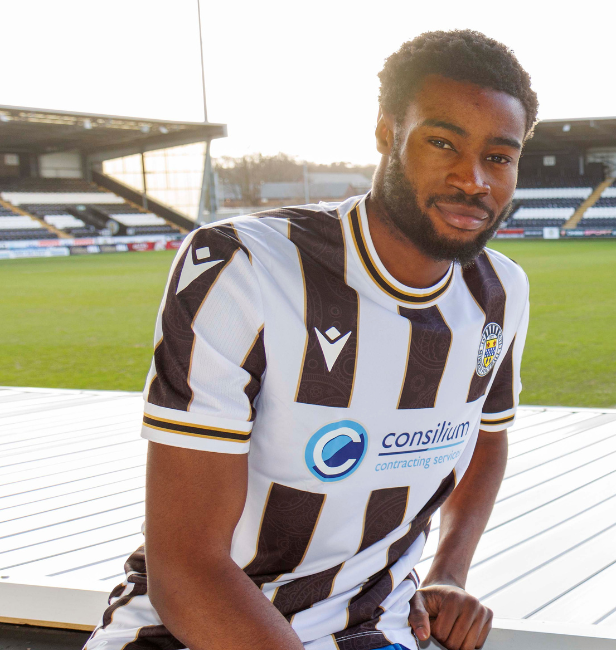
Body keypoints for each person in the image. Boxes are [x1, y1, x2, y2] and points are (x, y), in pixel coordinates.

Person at [84, 29, 537, 650]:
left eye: (500, 157)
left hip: (372, 629)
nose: (474, 179)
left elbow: (488, 435)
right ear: (386, 133)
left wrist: (449, 573)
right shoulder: (242, 265)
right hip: (190, 631)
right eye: (442, 143)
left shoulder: (500, 292)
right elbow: (186, 565)